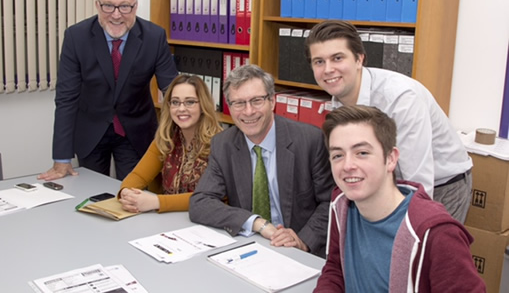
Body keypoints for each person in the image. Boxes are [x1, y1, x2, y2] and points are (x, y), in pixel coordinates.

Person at [305, 20, 472, 223]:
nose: (328, 69)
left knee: (423, 249)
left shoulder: (401, 98)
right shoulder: (340, 98)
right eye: (319, 62)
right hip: (386, 185)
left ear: (359, 59)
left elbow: (418, 183)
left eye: (337, 58)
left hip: (441, 186)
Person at [314, 105, 485, 292]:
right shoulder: (341, 204)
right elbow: (335, 268)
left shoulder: (438, 233)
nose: (347, 165)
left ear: (391, 159)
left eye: (362, 153)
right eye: (337, 155)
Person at [39, 0, 178, 181]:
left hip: (136, 131)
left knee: (132, 196)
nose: (116, 15)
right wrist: (61, 158)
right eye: (108, 6)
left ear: (135, 7)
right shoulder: (76, 37)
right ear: (97, 5)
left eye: (124, 7)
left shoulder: (154, 37)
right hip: (90, 132)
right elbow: (66, 99)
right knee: (91, 196)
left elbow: (172, 90)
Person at [189, 65, 334, 257]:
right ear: (229, 107)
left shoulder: (310, 141)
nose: (248, 112)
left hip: (301, 253)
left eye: (256, 101)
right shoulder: (223, 145)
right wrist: (257, 223)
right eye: (239, 103)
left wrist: (303, 240)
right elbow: (200, 202)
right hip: (252, 247)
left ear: (272, 101)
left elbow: (331, 203)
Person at [118, 74, 222, 213]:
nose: (181, 109)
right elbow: (138, 176)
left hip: (205, 223)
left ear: (203, 105)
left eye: (190, 102)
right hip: (167, 221)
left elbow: (211, 197)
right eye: (175, 102)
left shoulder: (220, 144)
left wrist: (156, 202)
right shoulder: (166, 139)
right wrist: (126, 193)